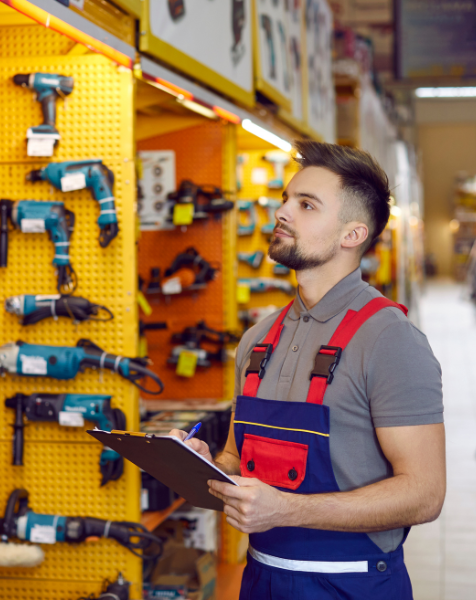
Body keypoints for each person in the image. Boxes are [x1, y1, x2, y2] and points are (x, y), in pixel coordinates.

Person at [171, 140, 445, 599]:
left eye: (306, 204)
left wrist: (285, 510)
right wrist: (201, 467)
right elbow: (236, 461)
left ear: (352, 235)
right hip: (260, 580)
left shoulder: (390, 339)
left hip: (353, 584)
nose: (283, 213)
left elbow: (425, 494)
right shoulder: (258, 339)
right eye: (284, 199)